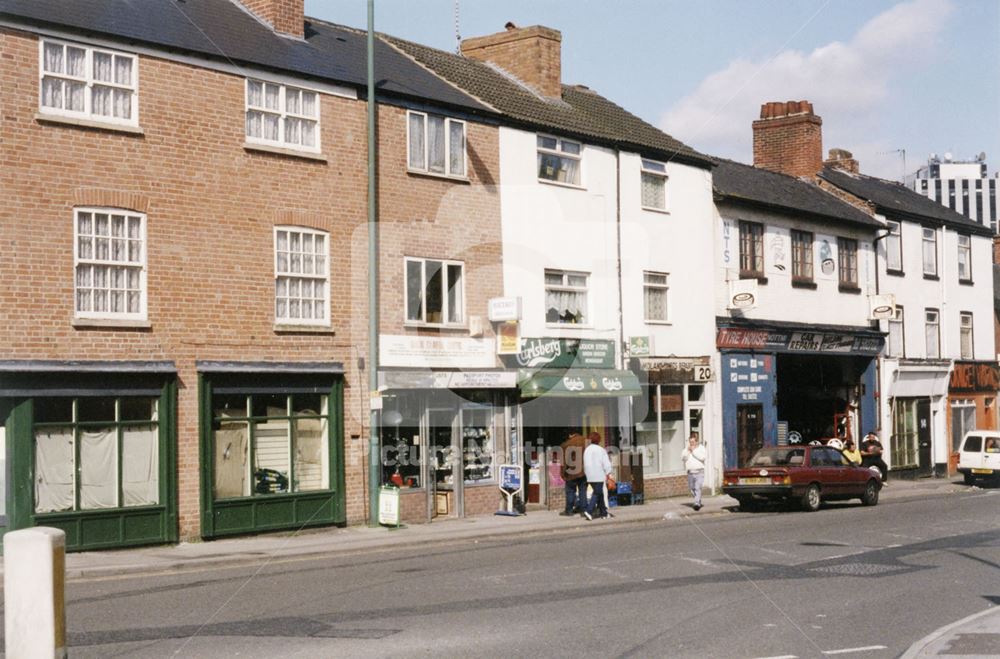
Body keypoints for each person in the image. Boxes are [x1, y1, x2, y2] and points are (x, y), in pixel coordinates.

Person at [583, 432, 612, 521]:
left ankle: (604, 513)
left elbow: (585, 462)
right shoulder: (601, 450)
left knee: (600, 493)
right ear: (598, 440)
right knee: (597, 493)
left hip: (589, 475)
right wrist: (609, 472)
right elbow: (606, 463)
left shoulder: (587, 450)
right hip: (598, 474)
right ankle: (589, 510)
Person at [559, 433, 589, 516]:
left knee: (570, 491)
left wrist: (562, 473)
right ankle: (584, 510)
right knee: (583, 491)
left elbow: (564, 462)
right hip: (583, 471)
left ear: (570, 434)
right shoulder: (586, 441)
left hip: (571, 473)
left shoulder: (566, 445)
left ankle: (569, 510)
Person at [681, 433, 707, 511]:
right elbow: (683, 458)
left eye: (693, 442)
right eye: (690, 442)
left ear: (696, 442)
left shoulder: (701, 448)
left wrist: (693, 451)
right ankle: (698, 499)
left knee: (697, 487)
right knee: (692, 488)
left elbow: (702, 458)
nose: (691, 443)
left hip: (699, 471)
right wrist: (688, 452)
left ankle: (697, 503)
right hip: (690, 472)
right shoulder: (686, 449)